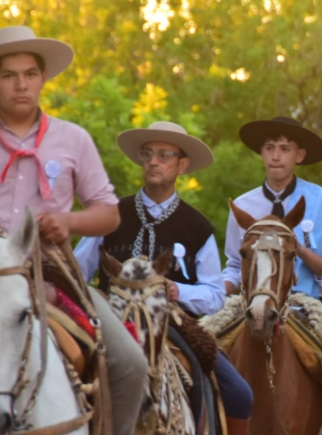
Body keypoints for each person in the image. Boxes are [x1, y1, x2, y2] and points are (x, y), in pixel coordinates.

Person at [0, 26, 147, 435]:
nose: (21, 84)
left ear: (43, 78)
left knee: (130, 364)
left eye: (30, 74)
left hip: (49, 271)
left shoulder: (73, 139)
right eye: (8, 75)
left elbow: (108, 213)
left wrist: (69, 221)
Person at [74, 121, 253, 435]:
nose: (153, 161)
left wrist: (176, 291)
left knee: (240, 394)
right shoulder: (111, 214)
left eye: (163, 155)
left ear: (182, 165)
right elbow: (77, 272)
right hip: (111, 323)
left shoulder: (198, 226)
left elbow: (215, 295)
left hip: (173, 324)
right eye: (148, 154)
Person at [221, 116, 322, 435]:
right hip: (249, 302)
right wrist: (220, 292)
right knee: (204, 350)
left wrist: (299, 249)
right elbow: (233, 264)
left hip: (306, 304)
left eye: (285, 148)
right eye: (270, 147)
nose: (276, 155)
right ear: (261, 153)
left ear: (299, 155)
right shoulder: (242, 204)